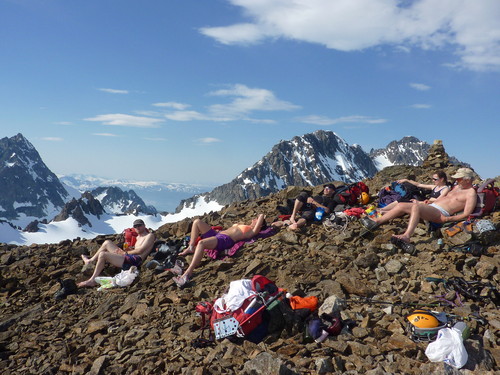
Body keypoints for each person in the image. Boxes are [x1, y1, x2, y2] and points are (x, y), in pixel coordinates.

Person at [361, 168, 477, 246]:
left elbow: (467, 213)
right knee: (402, 204)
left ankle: (406, 236)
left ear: (467, 179)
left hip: (441, 214)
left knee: (415, 207)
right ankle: (377, 221)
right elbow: (443, 198)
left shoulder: (470, 193)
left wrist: (448, 219)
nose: (456, 180)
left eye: (459, 178)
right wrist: (426, 202)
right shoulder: (457, 187)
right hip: (432, 207)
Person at [173, 214, 266, 287]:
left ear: (260, 224)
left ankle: (187, 274)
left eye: (256, 219)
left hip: (225, 239)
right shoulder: (246, 226)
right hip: (217, 234)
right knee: (197, 222)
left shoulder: (252, 231)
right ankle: (191, 247)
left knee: (201, 243)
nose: (254, 219)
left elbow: (261, 216)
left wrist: (262, 217)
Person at [78, 219, 155, 288]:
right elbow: (136, 249)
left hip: (135, 261)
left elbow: (141, 250)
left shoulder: (149, 236)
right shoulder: (137, 238)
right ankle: (90, 261)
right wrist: (126, 251)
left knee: (103, 254)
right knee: (107, 243)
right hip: (129, 256)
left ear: (144, 226)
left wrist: (125, 252)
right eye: (135, 226)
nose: (137, 227)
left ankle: (92, 280)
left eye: (139, 225)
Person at [273, 184, 337, 231]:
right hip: (304, 205)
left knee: (305, 217)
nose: (325, 189)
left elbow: (327, 210)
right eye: (325, 188)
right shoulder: (318, 196)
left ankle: (296, 224)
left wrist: (314, 202)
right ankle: (293, 216)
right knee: (303, 194)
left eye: (328, 188)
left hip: (313, 210)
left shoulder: (331, 201)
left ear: (333, 191)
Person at [380, 171, 450, 212]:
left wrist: (419, 202)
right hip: (426, 202)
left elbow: (438, 201)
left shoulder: (445, 189)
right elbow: (419, 184)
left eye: (435, 179)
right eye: (433, 179)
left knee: (405, 202)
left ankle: (382, 211)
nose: (433, 180)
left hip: (429, 205)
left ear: (442, 179)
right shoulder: (434, 187)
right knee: (406, 197)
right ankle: (382, 210)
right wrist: (407, 180)